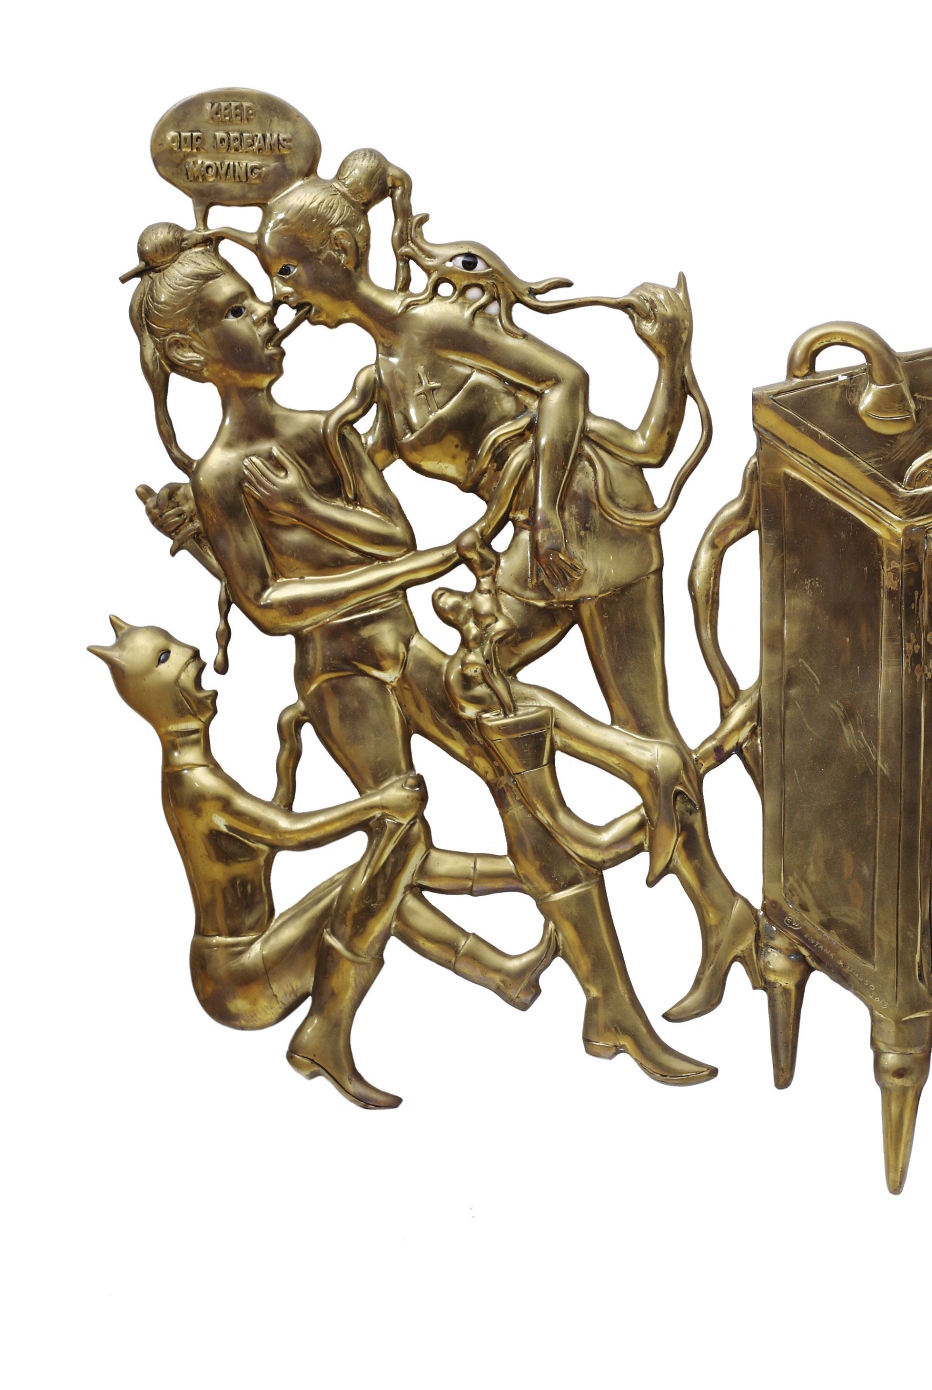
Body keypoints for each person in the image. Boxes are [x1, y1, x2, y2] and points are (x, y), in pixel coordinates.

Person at [129, 225, 712, 1086]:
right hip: (341, 678)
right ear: (190, 354)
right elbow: (268, 605)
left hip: (403, 645)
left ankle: (612, 1007)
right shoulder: (221, 476)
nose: (266, 315)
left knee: (523, 780)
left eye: (255, 299)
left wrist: (320, 516)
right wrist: (403, 567)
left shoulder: (325, 432)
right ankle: (331, 1026)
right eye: (236, 312)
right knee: (398, 842)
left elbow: (393, 532)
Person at [250, 153, 759, 1015]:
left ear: (338, 257)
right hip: (540, 530)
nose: (282, 293)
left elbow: (566, 381)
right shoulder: (382, 380)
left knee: (502, 687)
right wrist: (237, 506)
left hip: (583, 509)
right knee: (514, 695)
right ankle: (719, 909)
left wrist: (548, 517)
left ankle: (611, 839)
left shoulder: (432, 322)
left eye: (289, 271)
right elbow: (349, 490)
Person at [91, 619, 439, 1109]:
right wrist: (377, 804)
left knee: (381, 887)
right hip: (238, 976)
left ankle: (502, 968)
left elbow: (262, 838)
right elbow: (288, 834)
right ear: (154, 694)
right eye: (166, 656)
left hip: (244, 960)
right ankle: (324, 1035)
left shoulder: (196, 770)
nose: (190, 649)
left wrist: (289, 745)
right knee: (373, 885)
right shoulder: (195, 783)